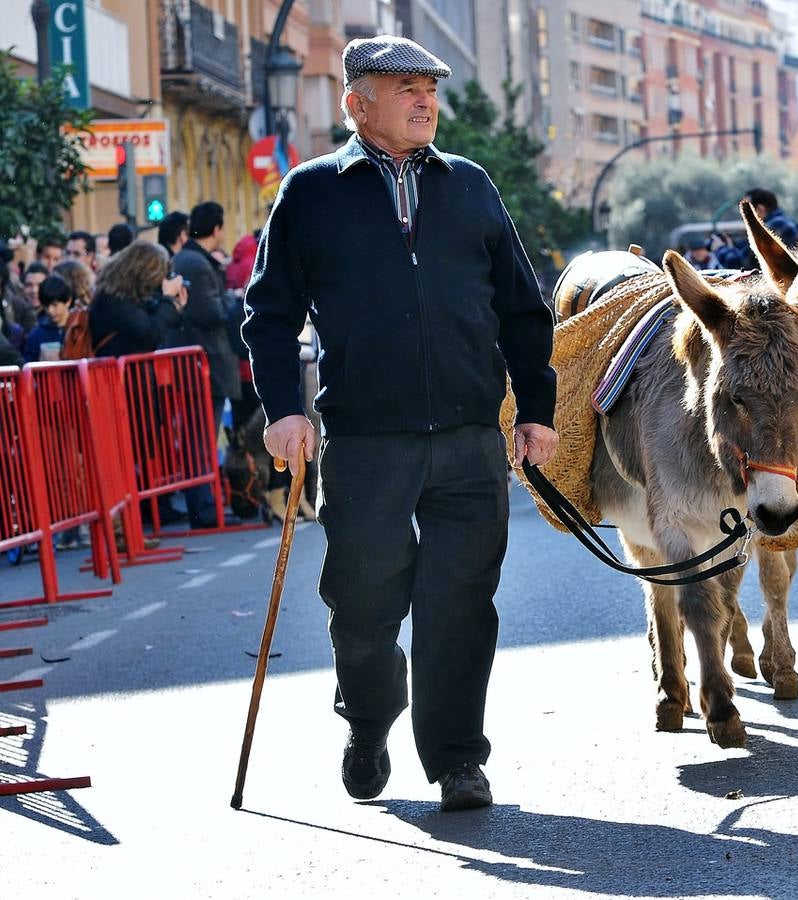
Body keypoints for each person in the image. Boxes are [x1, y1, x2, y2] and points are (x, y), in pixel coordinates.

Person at [243, 35, 559, 812]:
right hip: (365, 443)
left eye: (429, 86)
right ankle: (369, 720)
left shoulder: (470, 185)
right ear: (358, 103)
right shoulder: (311, 192)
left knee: (459, 606)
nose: (425, 100)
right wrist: (283, 410)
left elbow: (521, 308)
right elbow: (269, 315)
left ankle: (456, 759)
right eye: (405, 87)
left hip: (465, 441)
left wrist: (537, 411)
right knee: (362, 609)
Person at [172, 201, 242, 528]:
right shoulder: (195, 264)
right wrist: (234, 300)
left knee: (200, 438)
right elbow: (210, 312)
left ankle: (203, 505)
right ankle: (204, 509)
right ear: (217, 229)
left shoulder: (191, 259)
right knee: (201, 439)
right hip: (206, 362)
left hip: (202, 362)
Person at [89, 240, 188, 358]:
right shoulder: (114, 298)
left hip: (129, 372)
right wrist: (168, 299)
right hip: (118, 373)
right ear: (145, 274)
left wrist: (174, 305)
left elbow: (153, 322)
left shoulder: (128, 295)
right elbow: (150, 334)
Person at [22, 274, 73, 361]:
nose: (50, 310)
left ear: (68, 301)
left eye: (55, 305)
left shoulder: (79, 329)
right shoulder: (36, 335)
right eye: (46, 306)